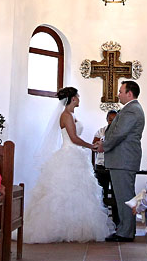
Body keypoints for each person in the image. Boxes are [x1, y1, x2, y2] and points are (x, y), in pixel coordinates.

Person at [24, 87, 115, 243]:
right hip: (69, 154)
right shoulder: (66, 115)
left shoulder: (71, 115)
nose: (79, 99)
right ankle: (60, 228)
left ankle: (74, 227)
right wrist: (91, 146)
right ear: (73, 98)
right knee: (65, 192)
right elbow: (73, 138)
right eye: (77, 96)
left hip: (76, 154)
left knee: (78, 193)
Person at [98, 80, 146, 242]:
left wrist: (104, 146)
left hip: (123, 160)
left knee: (124, 197)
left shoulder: (132, 110)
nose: (118, 95)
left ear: (129, 94)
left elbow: (119, 133)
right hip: (121, 159)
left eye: (120, 91)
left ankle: (126, 232)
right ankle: (125, 229)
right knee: (122, 196)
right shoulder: (130, 109)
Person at [93, 110, 119, 223]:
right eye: (110, 120)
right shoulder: (101, 131)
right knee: (101, 193)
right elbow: (94, 146)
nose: (112, 122)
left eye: (114, 120)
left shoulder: (120, 132)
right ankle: (101, 221)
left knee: (116, 195)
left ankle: (116, 221)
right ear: (107, 120)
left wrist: (104, 144)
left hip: (115, 166)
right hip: (101, 166)